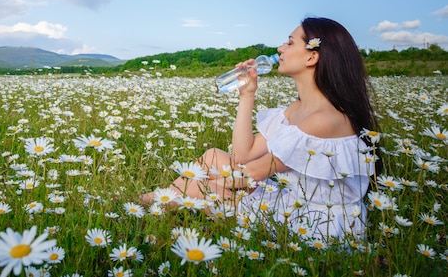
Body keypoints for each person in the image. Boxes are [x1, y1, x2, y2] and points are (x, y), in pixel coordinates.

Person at [142, 17, 380, 241]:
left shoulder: (326, 118)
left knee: (197, 187)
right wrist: (247, 94)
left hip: (316, 222)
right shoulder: (297, 109)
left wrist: (207, 185)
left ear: (312, 57)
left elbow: (251, 173)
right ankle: (161, 204)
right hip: (291, 200)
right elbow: (243, 156)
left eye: (289, 42)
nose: (280, 49)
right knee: (211, 157)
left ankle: (141, 204)